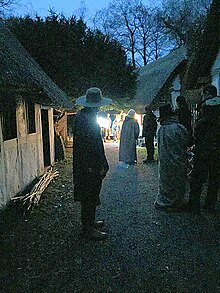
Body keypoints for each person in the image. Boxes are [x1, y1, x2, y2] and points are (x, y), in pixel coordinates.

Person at [73, 87, 112, 240]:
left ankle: (90, 223)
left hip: (89, 164)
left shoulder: (84, 117)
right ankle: (87, 229)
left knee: (91, 194)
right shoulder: (85, 120)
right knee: (89, 195)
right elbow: (86, 147)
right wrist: (92, 167)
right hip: (88, 166)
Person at [187, 85, 220, 214]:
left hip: (204, 148)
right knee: (214, 178)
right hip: (217, 149)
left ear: (207, 93)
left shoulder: (205, 106)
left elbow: (199, 128)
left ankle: (194, 204)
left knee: (198, 177)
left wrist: (195, 140)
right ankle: (210, 205)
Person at [154, 104, 189, 212]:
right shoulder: (179, 128)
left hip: (165, 161)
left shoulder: (162, 129)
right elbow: (185, 141)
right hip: (178, 160)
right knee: (177, 182)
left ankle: (164, 201)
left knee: (166, 182)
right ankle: (176, 202)